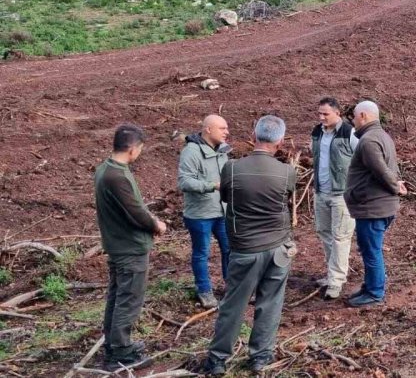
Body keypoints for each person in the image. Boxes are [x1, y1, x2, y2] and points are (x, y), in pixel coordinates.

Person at [202, 115, 297, 376]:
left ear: (253, 137)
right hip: (278, 248)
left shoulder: (231, 168)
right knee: (270, 303)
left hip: (244, 249)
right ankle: (260, 358)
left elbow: (225, 197)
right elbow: (285, 202)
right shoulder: (287, 172)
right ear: (279, 142)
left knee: (233, 304)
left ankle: (218, 359)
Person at [95, 124, 167, 371]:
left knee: (117, 297)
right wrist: (156, 224)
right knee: (128, 300)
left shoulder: (106, 169)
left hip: (118, 245)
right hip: (129, 248)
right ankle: (120, 354)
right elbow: (135, 211)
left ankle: (115, 345)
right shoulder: (117, 176)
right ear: (134, 149)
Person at [344, 100, 406, 308]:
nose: (353, 121)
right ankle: (370, 286)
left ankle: (374, 292)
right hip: (378, 206)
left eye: (354, 116)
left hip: (373, 208)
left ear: (363, 116)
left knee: (372, 252)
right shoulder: (381, 136)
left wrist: (396, 187)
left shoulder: (369, 140)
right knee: (371, 249)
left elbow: (381, 171)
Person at [178, 114, 231, 308]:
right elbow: (184, 181)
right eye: (223, 128)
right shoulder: (191, 152)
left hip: (223, 212)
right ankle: (204, 290)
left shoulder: (223, 151)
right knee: (202, 253)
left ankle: (232, 288)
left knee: (230, 250)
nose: (227, 132)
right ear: (208, 129)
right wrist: (212, 186)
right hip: (200, 214)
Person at [311, 97, 358, 300]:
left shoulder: (350, 133)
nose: (322, 117)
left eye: (326, 114)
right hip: (321, 191)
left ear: (337, 113)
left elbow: (364, 157)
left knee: (340, 237)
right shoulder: (316, 132)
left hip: (342, 194)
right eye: (319, 113)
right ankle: (332, 274)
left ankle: (336, 281)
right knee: (325, 232)